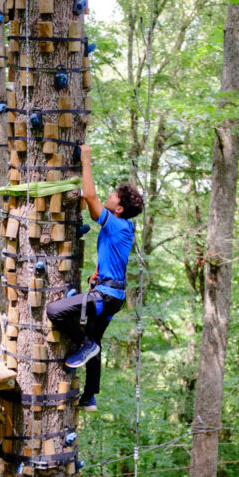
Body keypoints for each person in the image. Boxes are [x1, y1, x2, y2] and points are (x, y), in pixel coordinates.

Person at [46, 144, 144, 412]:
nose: (109, 196)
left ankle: (86, 344)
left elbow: (90, 197)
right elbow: (92, 211)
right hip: (111, 293)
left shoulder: (116, 223)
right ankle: (89, 396)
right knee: (94, 340)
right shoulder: (122, 226)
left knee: (54, 311)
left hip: (106, 297)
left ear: (119, 208)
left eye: (113, 196)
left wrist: (86, 160)